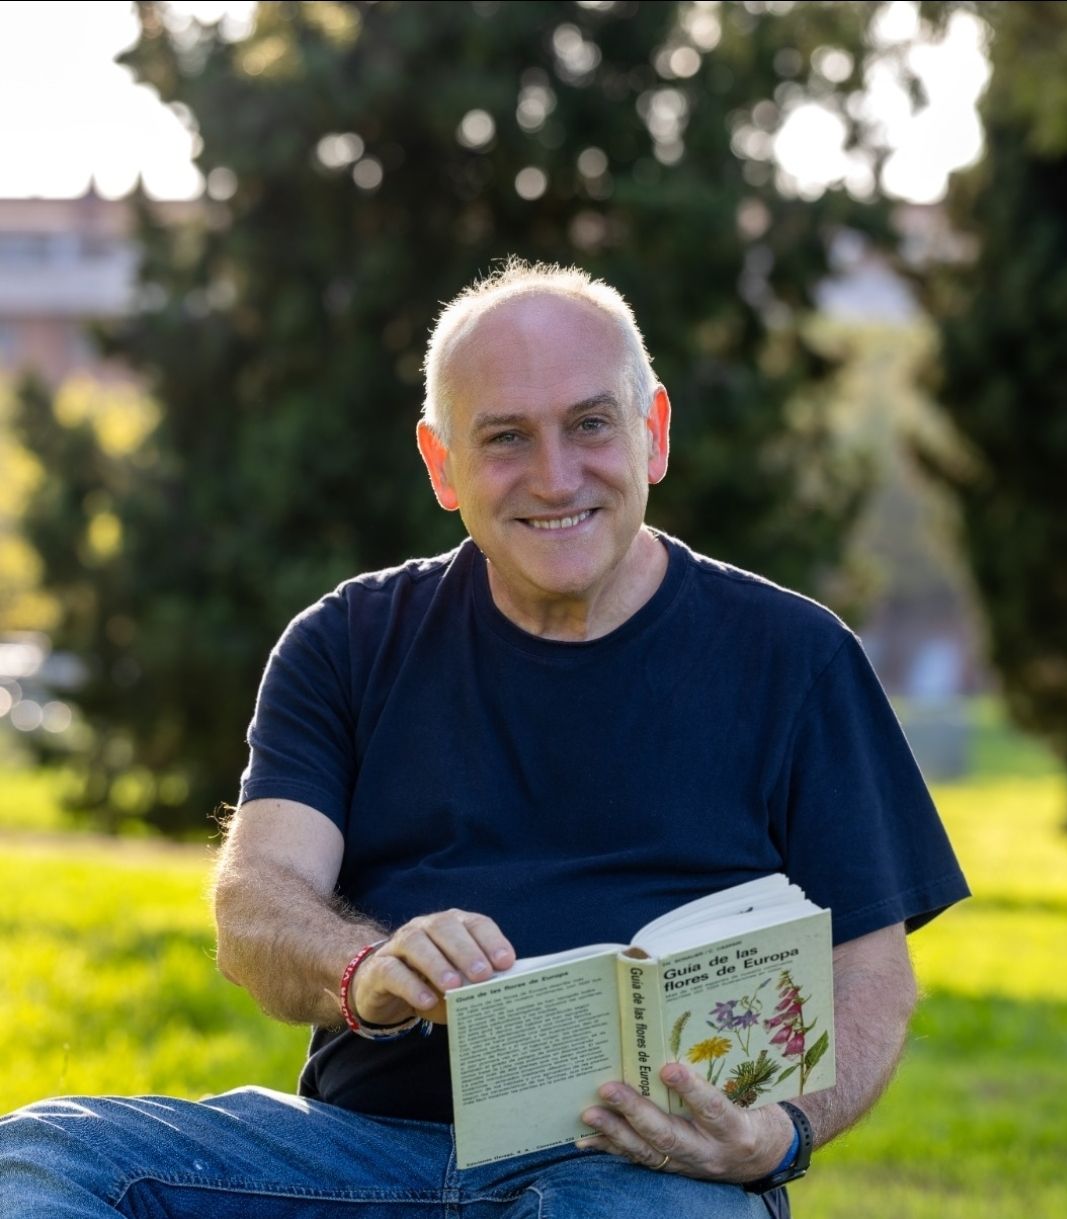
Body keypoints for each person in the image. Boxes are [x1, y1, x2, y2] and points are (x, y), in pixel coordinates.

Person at [0, 259, 969, 1218]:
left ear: (653, 433)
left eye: (589, 424)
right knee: (46, 1156)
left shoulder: (793, 656)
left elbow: (869, 969)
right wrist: (364, 968)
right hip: (358, 1156)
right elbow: (256, 903)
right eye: (505, 437)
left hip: (638, 1164)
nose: (555, 478)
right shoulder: (345, 641)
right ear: (440, 465)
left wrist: (781, 1133)